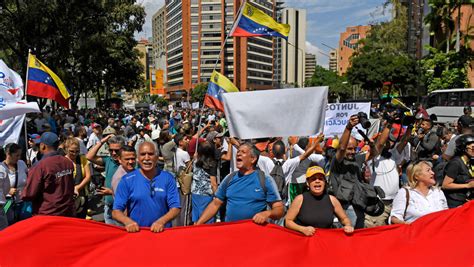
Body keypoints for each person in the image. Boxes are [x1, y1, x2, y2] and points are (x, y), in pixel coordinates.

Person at [195, 143, 284, 225]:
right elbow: (215, 203)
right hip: (230, 233)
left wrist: (267, 213)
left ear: (253, 159)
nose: (238, 154)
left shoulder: (265, 179)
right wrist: (199, 224)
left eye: (243, 152)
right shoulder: (229, 178)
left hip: (254, 234)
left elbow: (280, 209)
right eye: (238, 151)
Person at [112, 142, 181, 233]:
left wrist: (161, 221)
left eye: (151, 154)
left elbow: (176, 208)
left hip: (162, 232)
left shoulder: (168, 178)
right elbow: (116, 211)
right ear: (138, 158)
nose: (147, 158)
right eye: (143, 154)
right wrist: (127, 221)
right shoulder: (126, 180)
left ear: (157, 157)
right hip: (138, 233)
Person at [285, 166, 354, 236]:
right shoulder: (299, 199)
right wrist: (302, 229)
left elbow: (344, 218)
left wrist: (348, 225)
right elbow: (287, 221)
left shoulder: (332, 200)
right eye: (313, 179)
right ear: (307, 183)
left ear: (324, 182)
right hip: (304, 242)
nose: (317, 181)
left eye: (320, 179)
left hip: (325, 242)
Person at [22, 132, 75, 217]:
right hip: (67, 211)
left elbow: (29, 194)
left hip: (47, 214)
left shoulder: (40, 166)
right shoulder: (68, 162)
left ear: (43, 145)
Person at [86, 134, 126, 225]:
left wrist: (112, 192)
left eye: (116, 150)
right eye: (111, 150)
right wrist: (103, 141)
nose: (113, 153)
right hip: (108, 206)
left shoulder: (128, 164)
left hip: (122, 208)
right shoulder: (108, 160)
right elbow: (89, 156)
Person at [1, 144, 31, 224]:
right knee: (10, 225)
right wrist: (7, 190)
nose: (19, 158)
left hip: (24, 202)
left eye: (20, 155)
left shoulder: (21, 163)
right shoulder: (1, 168)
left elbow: (29, 177)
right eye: (16, 155)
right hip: (8, 204)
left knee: (26, 224)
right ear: (8, 154)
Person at [441, 134, 474, 208]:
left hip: (466, 200)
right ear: (463, 148)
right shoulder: (455, 163)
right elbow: (445, 185)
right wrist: (467, 186)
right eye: (472, 148)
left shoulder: (470, 162)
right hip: (455, 202)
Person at [191, 141, 218, 223]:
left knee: (196, 217)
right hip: (206, 194)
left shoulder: (195, 159)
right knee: (206, 218)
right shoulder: (212, 163)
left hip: (195, 191)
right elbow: (213, 183)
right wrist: (217, 196)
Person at [64, 138, 91, 218]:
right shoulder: (63, 161)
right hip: (68, 196)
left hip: (82, 194)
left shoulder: (82, 159)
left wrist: (77, 188)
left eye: (77, 151)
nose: (74, 154)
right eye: (71, 151)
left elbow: (88, 176)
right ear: (66, 149)